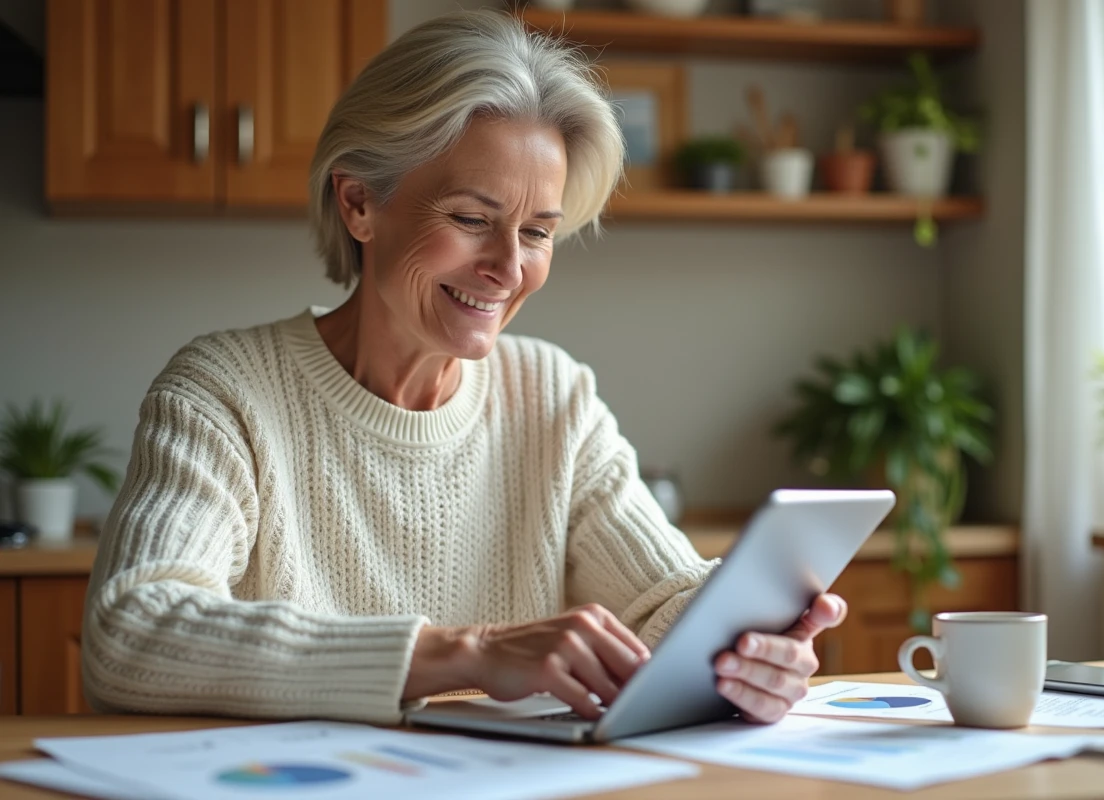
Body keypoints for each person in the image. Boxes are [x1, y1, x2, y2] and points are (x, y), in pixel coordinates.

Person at [81, 9, 847, 726]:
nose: (509, 267)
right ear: (358, 204)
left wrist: (750, 642)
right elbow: (131, 632)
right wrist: (465, 654)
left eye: (538, 233)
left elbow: (659, 603)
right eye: (473, 220)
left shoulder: (552, 396)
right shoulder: (226, 389)